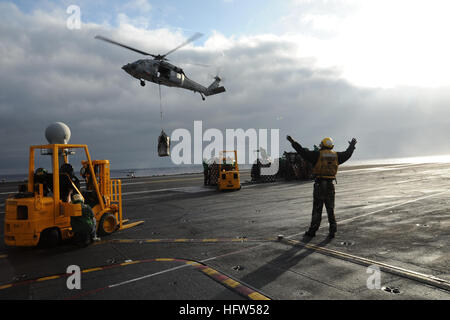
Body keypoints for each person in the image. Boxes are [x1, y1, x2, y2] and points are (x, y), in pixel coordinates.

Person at [287, 135, 357, 238]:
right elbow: (347, 154)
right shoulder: (336, 156)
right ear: (331, 146)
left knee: (317, 209)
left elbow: (302, 151)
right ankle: (332, 230)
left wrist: (293, 142)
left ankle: (312, 231)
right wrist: (351, 145)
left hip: (319, 185)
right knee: (330, 208)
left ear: (322, 145)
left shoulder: (317, 155)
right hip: (330, 185)